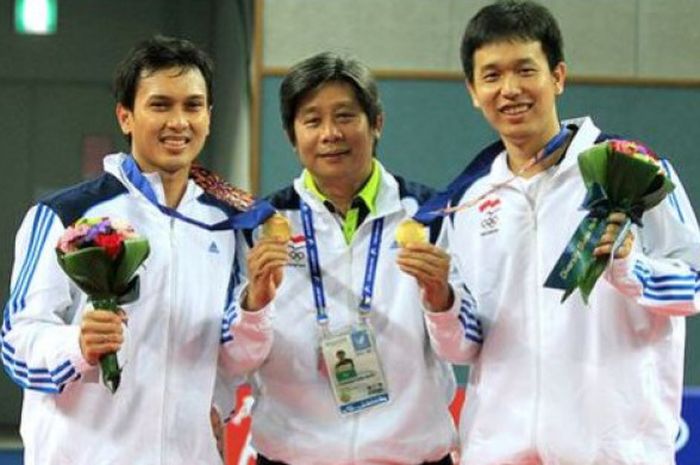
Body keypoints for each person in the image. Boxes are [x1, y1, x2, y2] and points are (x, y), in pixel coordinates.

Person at [418, 1, 700, 464]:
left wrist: (632, 268)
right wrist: (440, 303)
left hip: (612, 451)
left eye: (525, 70)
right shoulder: (465, 202)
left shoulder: (632, 171)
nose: (509, 90)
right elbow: (464, 347)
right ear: (472, 90)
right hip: (499, 451)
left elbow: (694, 283)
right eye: (491, 76)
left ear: (558, 76)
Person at [1, 35, 273, 465]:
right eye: (160, 105)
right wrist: (77, 345)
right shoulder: (66, 214)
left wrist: (255, 306)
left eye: (193, 106)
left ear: (209, 116)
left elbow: (234, 360)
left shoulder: (228, 223)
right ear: (125, 116)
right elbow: (16, 344)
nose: (179, 122)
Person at [241, 51, 471, 465]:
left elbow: (462, 348)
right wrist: (253, 304)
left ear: (376, 122)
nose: (330, 133)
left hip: (409, 457)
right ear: (292, 135)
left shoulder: (430, 216)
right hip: (293, 457)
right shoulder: (260, 226)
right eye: (312, 120)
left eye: (346, 116)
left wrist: (443, 300)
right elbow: (237, 355)